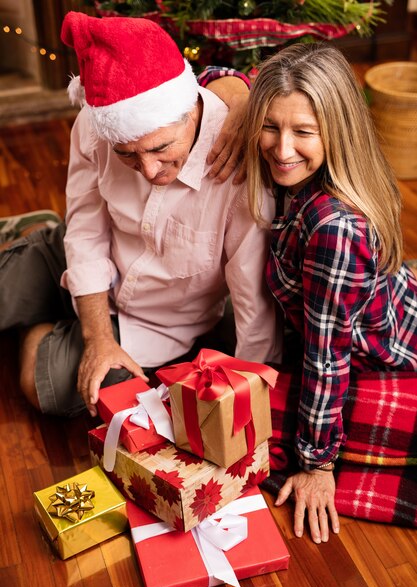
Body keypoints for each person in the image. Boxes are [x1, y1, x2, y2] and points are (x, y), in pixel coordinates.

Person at [0, 12, 281, 420]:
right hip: (74, 253)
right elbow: (84, 230)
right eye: (128, 155)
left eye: (161, 148)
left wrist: (248, 404)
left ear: (192, 110)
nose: (150, 171)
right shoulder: (94, 127)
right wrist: (95, 337)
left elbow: (253, 304)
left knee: (49, 389)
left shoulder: (238, 166)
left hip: (152, 327)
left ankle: (40, 312)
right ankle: (44, 265)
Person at [205, 43, 417, 543]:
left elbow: (327, 359)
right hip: (386, 301)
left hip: (380, 360)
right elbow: (210, 72)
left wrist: (317, 464)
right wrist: (237, 101)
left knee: (234, 432)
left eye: (304, 132)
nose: (282, 149)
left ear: (336, 132)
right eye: (270, 126)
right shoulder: (305, 169)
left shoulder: (333, 229)